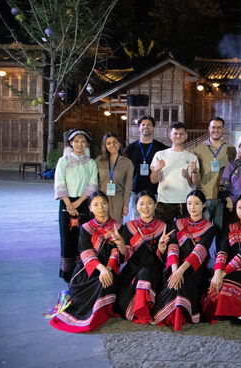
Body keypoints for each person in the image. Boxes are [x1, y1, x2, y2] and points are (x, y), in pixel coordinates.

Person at [50, 191, 127, 333]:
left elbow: (116, 252)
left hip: (111, 268)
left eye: (103, 203)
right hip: (89, 268)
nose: (101, 207)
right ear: (90, 208)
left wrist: (108, 269)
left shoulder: (117, 226)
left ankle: (101, 311)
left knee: (108, 282)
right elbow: (86, 253)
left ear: (108, 205)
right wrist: (101, 269)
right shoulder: (86, 228)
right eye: (96, 204)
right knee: (98, 282)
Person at [152, 190, 218, 330]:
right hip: (174, 266)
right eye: (189, 204)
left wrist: (181, 271)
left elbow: (198, 253)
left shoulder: (210, 228)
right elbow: (173, 247)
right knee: (172, 281)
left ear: (204, 205)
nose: (192, 207)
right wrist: (175, 270)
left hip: (196, 269)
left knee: (183, 282)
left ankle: (180, 316)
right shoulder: (178, 223)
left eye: (196, 203)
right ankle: (169, 315)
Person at [202, 192, 241, 324]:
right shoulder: (230, 228)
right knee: (213, 289)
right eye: (240, 207)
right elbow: (222, 251)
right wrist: (217, 272)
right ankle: (230, 311)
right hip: (228, 271)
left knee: (224, 289)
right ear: (235, 209)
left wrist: (222, 274)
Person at [115, 191, 168, 324]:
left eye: (149, 203)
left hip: (154, 270)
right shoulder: (129, 227)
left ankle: (144, 311)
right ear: (137, 206)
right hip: (133, 269)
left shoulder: (163, 227)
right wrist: (121, 244)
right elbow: (125, 255)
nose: (145, 207)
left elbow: (168, 257)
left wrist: (162, 249)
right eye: (142, 204)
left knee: (146, 274)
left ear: (155, 205)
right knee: (120, 303)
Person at [54, 129, 98, 282]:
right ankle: (68, 274)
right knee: (68, 238)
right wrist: (69, 204)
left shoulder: (91, 163)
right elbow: (60, 183)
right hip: (66, 203)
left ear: (87, 144)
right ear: (71, 143)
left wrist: (79, 202)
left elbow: (93, 184)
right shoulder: (63, 161)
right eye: (77, 141)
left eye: (83, 141)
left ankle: (83, 270)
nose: (80, 144)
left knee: (84, 237)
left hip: (85, 203)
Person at [150, 122, 200, 223]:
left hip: (184, 201)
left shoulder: (192, 157)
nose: (178, 136)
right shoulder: (160, 154)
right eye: (175, 133)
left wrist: (194, 171)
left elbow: (196, 183)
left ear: (186, 136)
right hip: (164, 201)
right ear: (170, 135)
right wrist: (157, 170)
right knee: (164, 234)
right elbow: (153, 180)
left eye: (181, 134)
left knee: (183, 235)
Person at [193, 117, 236, 233]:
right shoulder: (198, 149)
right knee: (203, 231)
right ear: (209, 129)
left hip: (223, 196)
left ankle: (220, 252)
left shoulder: (230, 148)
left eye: (219, 127)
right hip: (204, 196)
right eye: (213, 127)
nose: (215, 130)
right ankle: (202, 252)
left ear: (223, 129)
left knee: (221, 231)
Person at [124, 115, 168, 221]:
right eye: (143, 124)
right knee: (136, 222)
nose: (146, 127)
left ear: (153, 127)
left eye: (149, 124)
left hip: (155, 191)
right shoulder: (129, 149)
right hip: (135, 191)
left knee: (155, 221)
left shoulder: (162, 149)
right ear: (139, 128)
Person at [95, 132, 133, 222]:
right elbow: (94, 182)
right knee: (101, 227)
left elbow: (128, 186)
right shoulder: (99, 161)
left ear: (119, 143)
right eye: (108, 143)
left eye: (115, 142)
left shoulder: (127, 163)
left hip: (118, 199)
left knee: (116, 227)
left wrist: (126, 204)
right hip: (102, 199)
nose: (112, 145)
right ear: (105, 146)